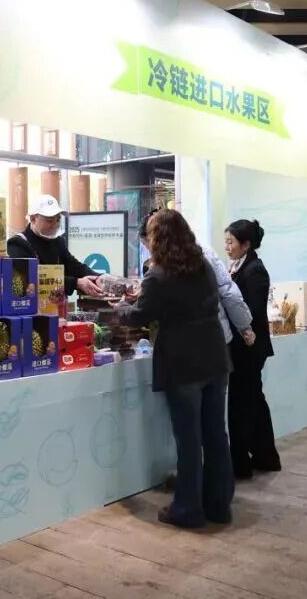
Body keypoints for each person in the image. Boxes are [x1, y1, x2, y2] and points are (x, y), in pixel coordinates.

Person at [117, 210, 233, 528]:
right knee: (216, 435)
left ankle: (188, 509)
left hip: (182, 363)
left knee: (188, 440)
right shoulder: (203, 265)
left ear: (158, 239)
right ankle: (219, 505)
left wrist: (121, 308)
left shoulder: (158, 275)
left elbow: (140, 315)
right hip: (214, 356)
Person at [140, 211, 255, 349]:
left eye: (148, 244)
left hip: (185, 344)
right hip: (216, 337)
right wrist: (244, 326)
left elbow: (228, 292)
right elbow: (228, 292)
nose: (150, 250)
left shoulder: (161, 267)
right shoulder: (205, 253)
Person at [224, 219, 282, 479]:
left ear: (246, 244)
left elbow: (253, 311)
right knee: (253, 402)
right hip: (242, 346)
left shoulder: (254, 269)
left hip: (249, 347)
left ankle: (241, 463)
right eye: (226, 242)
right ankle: (265, 456)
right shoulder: (238, 266)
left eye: (231, 242)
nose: (227, 247)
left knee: (242, 404)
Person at [7, 195, 102, 297]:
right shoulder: (18, 243)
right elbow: (30, 278)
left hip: (56, 304)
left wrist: (99, 277)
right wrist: (76, 283)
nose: (55, 225)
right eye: (50, 220)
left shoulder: (58, 241)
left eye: (58, 220)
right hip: (31, 305)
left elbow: (74, 266)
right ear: (33, 218)